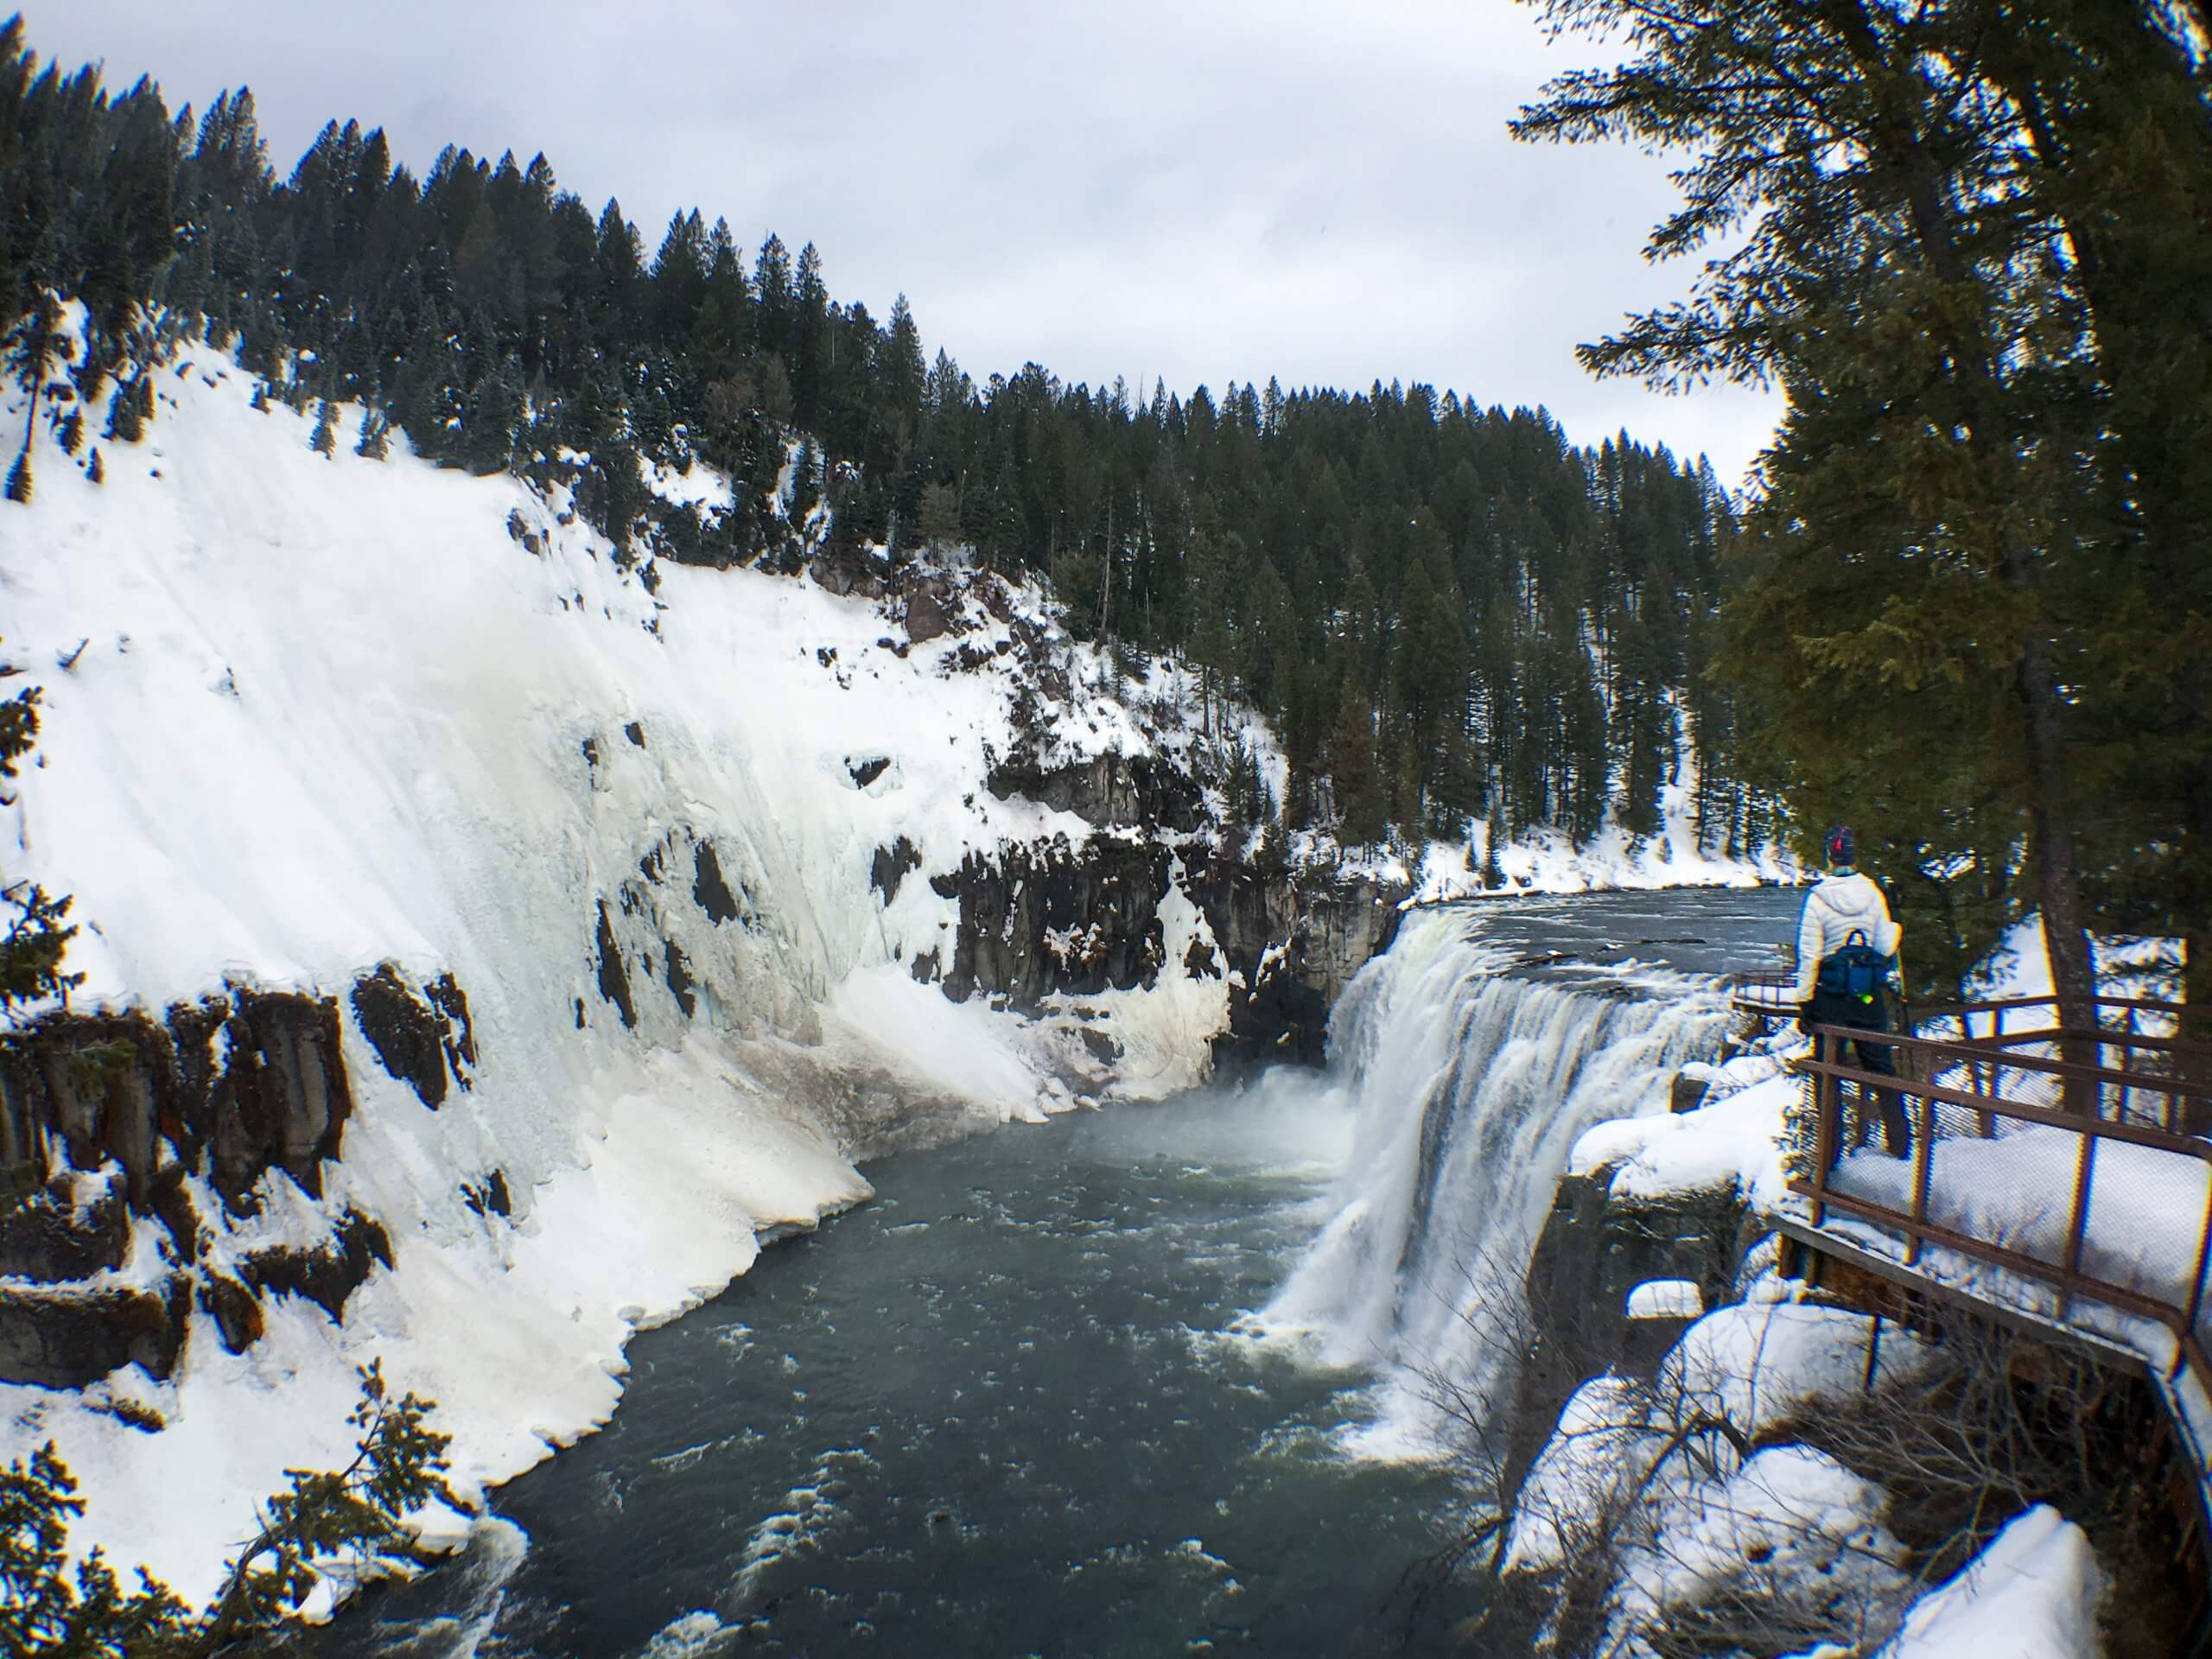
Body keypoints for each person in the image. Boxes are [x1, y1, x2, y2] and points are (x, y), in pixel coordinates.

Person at [1788, 824, 1909, 1158]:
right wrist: (1893, 922)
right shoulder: (1873, 892)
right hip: (1867, 998)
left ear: (1829, 856)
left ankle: (1831, 1157)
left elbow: (1810, 955)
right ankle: (1901, 1149)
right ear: (1854, 857)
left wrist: (1805, 1003)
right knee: (1882, 1070)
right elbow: (1885, 946)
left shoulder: (1817, 898)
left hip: (1830, 1000)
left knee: (1830, 1074)